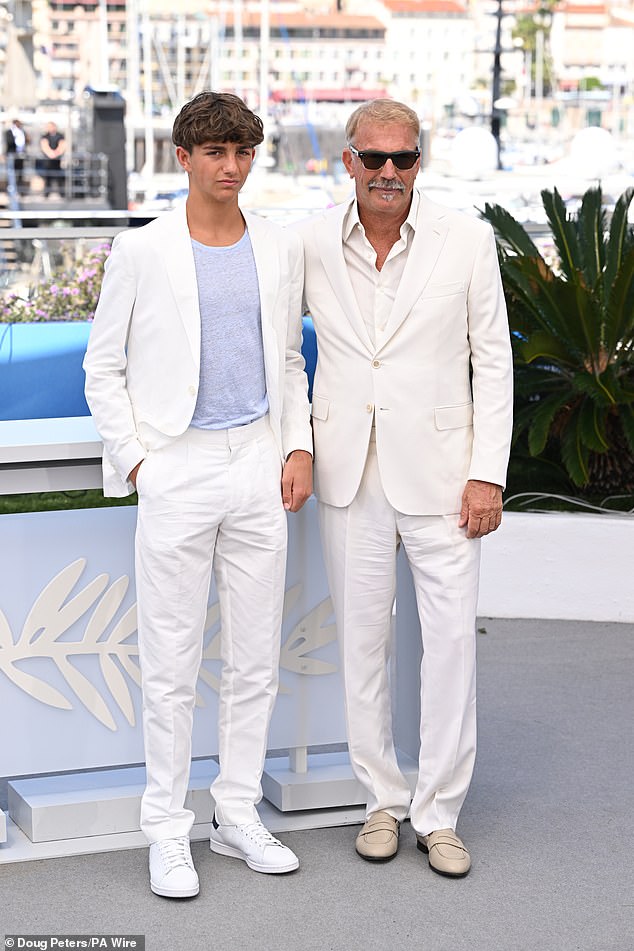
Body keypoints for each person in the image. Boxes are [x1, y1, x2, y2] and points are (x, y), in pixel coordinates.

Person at [83, 91, 313, 898]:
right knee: (172, 662)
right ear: (183, 157)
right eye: (215, 151)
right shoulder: (141, 251)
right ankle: (165, 829)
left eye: (243, 151)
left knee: (255, 660)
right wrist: (141, 463)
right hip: (176, 468)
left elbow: (288, 359)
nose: (231, 166)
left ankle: (236, 813)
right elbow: (101, 368)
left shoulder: (279, 248)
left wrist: (296, 445)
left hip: (256, 461)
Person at [296, 99, 513, 877]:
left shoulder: (468, 240)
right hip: (349, 469)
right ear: (347, 161)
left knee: (452, 644)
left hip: (447, 474)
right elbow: (284, 352)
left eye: (405, 158)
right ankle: (381, 800)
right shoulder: (312, 241)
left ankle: (441, 812)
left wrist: (488, 470)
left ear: (421, 161)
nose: (390, 173)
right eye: (375, 158)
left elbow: (493, 360)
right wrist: (297, 441)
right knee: (362, 643)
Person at [39, 121, 66, 196]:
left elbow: (62, 145)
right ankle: (47, 194)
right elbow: (44, 146)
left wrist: (56, 153)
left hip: (57, 161)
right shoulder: (45, 136)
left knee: (59, 177)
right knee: (48, 177)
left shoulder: (60, 136)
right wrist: (51, 154)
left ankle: (62, 194)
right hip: (48, 161)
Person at [5, 118, 29, 193]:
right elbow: (9, 142)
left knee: (20, 173)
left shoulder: (23, 132)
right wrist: (16, 136)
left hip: (20, 156)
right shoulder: (9, 132)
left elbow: (27, 142)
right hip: (12, 156)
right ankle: (10, 189)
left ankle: (20, 190)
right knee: (11, 173)